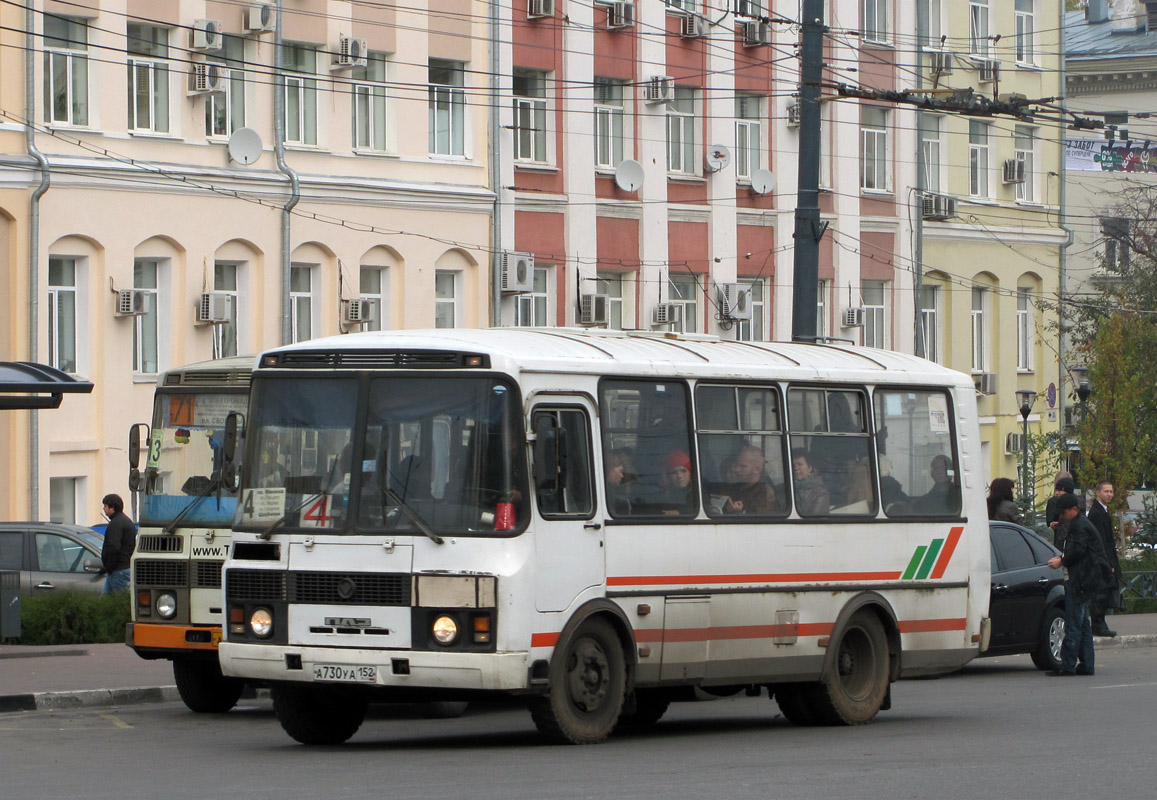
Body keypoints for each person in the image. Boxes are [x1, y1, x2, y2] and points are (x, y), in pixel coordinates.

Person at [1047, 492, 1113, 676]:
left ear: (1074, 510)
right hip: (1088, 579)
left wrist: (1061, 560)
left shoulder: (1079, 527)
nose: (1061, 515)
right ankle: (1087, 664)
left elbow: (1078, 551)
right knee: (1083, 623)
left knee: (1074, 623)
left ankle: (1068, 665)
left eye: (1064, 512)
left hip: (1081, 580)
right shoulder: (1079, 523)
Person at [1088, 481, 1122, 637]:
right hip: (1101, 561)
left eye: (1111, 491)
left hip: (1105, 559)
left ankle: (1100, 623)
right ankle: (1098, 624)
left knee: (1104, 591)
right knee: (1100, 593)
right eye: (1106, 491)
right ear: (1098, 493)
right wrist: (1108, 562)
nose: (1109, 494)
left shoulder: (1103, 511)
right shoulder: (1096, 513)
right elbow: (1100, 540)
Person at [718, 445, 779, 515]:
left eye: (743, 466)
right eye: (737, 465)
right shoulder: (737, 486)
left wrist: (738, 514)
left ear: (757, 469)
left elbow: (760, 523)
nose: (736, 469)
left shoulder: (764, 494)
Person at [100, 493, 136, 594]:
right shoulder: (127, 521)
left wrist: (110, 567)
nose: (104, 508)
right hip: (123, 567)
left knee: (121, 602)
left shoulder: (115, 524)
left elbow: (114, 547)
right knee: (105, 603)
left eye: (105, 506)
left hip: (118, 570)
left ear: (112, 508)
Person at [791, 449, 830, 516]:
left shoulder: (820, 493)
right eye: (793, 465)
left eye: (799, 464)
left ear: (810, 468)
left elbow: (814, 520)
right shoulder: (782, 489)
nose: (795, 468)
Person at [1046, 475, 1078, 549]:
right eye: (1056, 490)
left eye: (1059, 490)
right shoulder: (1053, 502)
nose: (1057, 493)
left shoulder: (1078, 504)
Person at [605, 449, 636, 515]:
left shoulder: (611, 492)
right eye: (620, 471)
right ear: (609, 470)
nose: (622, 476)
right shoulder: (609, 496)